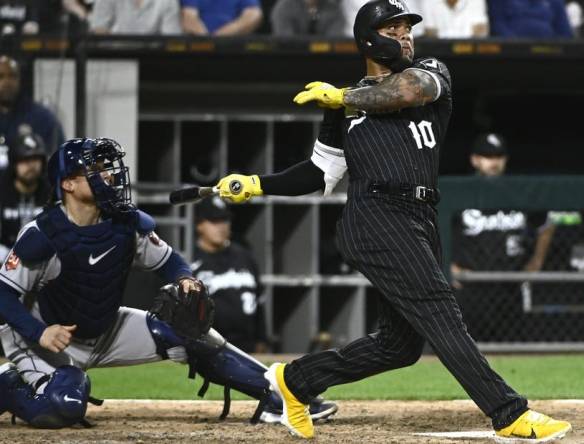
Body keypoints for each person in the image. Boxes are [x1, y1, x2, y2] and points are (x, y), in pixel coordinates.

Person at [213, 0, 572, 441]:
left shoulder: (430, 71)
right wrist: (256, 182)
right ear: (368, 38)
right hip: (373, 217)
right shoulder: (341, 108)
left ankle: (296, 381)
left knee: (399, 347)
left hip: (420, 216)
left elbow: (406, 93)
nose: (404, 36)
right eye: (394, 29)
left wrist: (344, 97)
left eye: (407, 28)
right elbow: (320, 172)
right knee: (440, 309)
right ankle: (508, 412)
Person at [0, 138, 337, 428]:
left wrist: (185, 278)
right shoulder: (43, 234)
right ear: (68, 184)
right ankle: (7, 384)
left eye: (106, 167)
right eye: (96, 170)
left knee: (189, 333)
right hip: (44, 337)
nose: (108, 175)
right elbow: (3, 294)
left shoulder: (124, 223)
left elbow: (169, 262)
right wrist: (39, 332)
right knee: (66, 404)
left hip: (104, 328)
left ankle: (280, 396)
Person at [450, 133, 557, 341]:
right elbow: (431, 229)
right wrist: (447, 265)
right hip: (471, 286)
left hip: (510, 288)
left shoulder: (518, 191)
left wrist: (536, 261)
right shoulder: (460, 191)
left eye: (498, 157)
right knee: (465, 353)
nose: (494, 162)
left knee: (512, 354)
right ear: (475, 160)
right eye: (488, 157)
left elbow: (547, 224)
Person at [192, 196, 265, 353]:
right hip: (206, 346)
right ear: (199, 225)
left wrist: (261, 339)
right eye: (214, 221)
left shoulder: (245, 256)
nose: (221, 227)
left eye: (224, 220)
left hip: (246, 347)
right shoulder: (189, 260)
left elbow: (260, 301)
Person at [0, 55, 65, 173]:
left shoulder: (43, 119)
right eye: (1, 77)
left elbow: (58, 161)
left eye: (12, 76)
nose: (7, 82)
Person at [0, 133, 50, 260]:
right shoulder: (3, 190)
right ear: (14, 163)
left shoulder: (52, 191)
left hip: (43, 259)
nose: (31, 165)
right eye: (25, 159)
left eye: (35, 159)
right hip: (4, 258)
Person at [487, 0, 573, 38]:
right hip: (512, 56)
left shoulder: (555, 1)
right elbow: (497, 24)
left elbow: (565, 33)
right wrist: (517, 47)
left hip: (549, 57)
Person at [90, 0, 182, 35]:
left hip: (154, 60)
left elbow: (171, 41)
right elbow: (98, 31)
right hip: (115, 59)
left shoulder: (169, 1)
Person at [181, 0, 263, 36]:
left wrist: (219, 37)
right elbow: (189, 17)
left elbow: (253, 15)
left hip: (233, 45)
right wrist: (207, 41)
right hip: (199, 47)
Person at [271, 0, 345, 37]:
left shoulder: (334, 9)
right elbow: (285, 42)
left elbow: (333, 43)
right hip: (290, 59)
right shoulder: (284, 7)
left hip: (326, 61)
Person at [421, 0, 489, 38]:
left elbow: (481, 32)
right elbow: (430, 33)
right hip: (439, 55)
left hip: (469, 56)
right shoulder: (428, 1)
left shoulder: (477, 1)